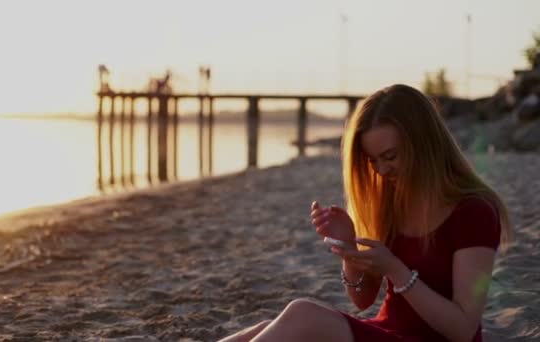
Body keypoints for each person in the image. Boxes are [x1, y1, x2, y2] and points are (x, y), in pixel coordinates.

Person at [219, 84, 512, 342]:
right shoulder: (394, 201)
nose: (382, 171)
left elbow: (462, 329)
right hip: (387, 332)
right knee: (264, 327)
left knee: (302, 314)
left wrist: (396, 270)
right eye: (373, 161)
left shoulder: (474, 211)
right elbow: (362, 300)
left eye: (390, 156)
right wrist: (349, 250)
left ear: (424, 143)